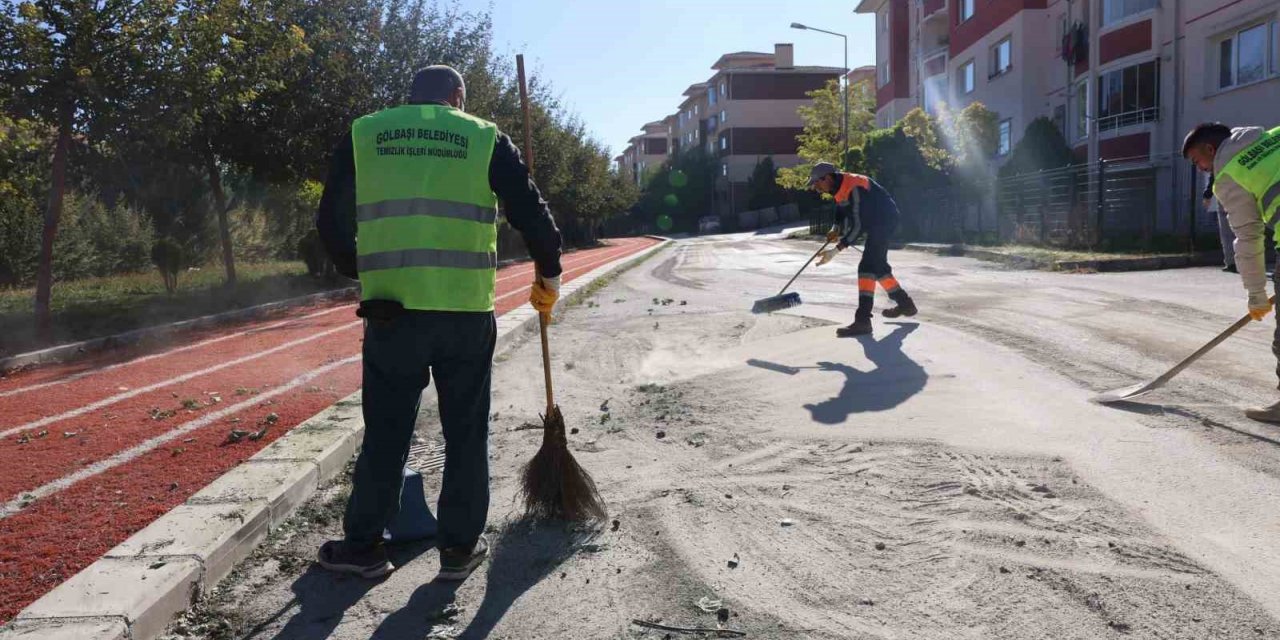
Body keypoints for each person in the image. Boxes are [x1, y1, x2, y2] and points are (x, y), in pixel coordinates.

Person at [314, 65, 563, 579]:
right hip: (465, 313)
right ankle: (457, 550)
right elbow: (531, 212)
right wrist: (550, 272)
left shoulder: (366, 133)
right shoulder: (483, 137)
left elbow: (330, 220)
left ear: (411, 97)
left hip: (391, 312)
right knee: (465, 432)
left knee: (386, 431)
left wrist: (359, 268)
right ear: (456, 97)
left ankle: (363, 548)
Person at [1182, 122, 1280, 423]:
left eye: (1198, 161)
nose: (1201, 169)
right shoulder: (1275, 136)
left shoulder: (1228, 176)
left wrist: (1256, 296)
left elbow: (1248, 239)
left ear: (1211, 150)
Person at [807, 162, 917, 337]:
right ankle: (905, 304)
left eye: (817, 183)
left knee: (866, 267)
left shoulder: (855, 187)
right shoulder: (838, 186)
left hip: (884, 221)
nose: (816, 188)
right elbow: (841, 207)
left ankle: (863, 321)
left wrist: (835, 251)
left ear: (827, 177)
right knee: (878, 268)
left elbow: (859, 226)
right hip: (875, 222)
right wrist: (835, 227)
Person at [1206, 173, 1237, 273]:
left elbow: (1214, 172)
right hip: (1239, 190)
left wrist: (1207, 193)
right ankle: (1235, 261)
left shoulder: (1218, 158)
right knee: (1239, 229)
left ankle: (1232, 261)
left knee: (1227, 231)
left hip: (1225, 191)